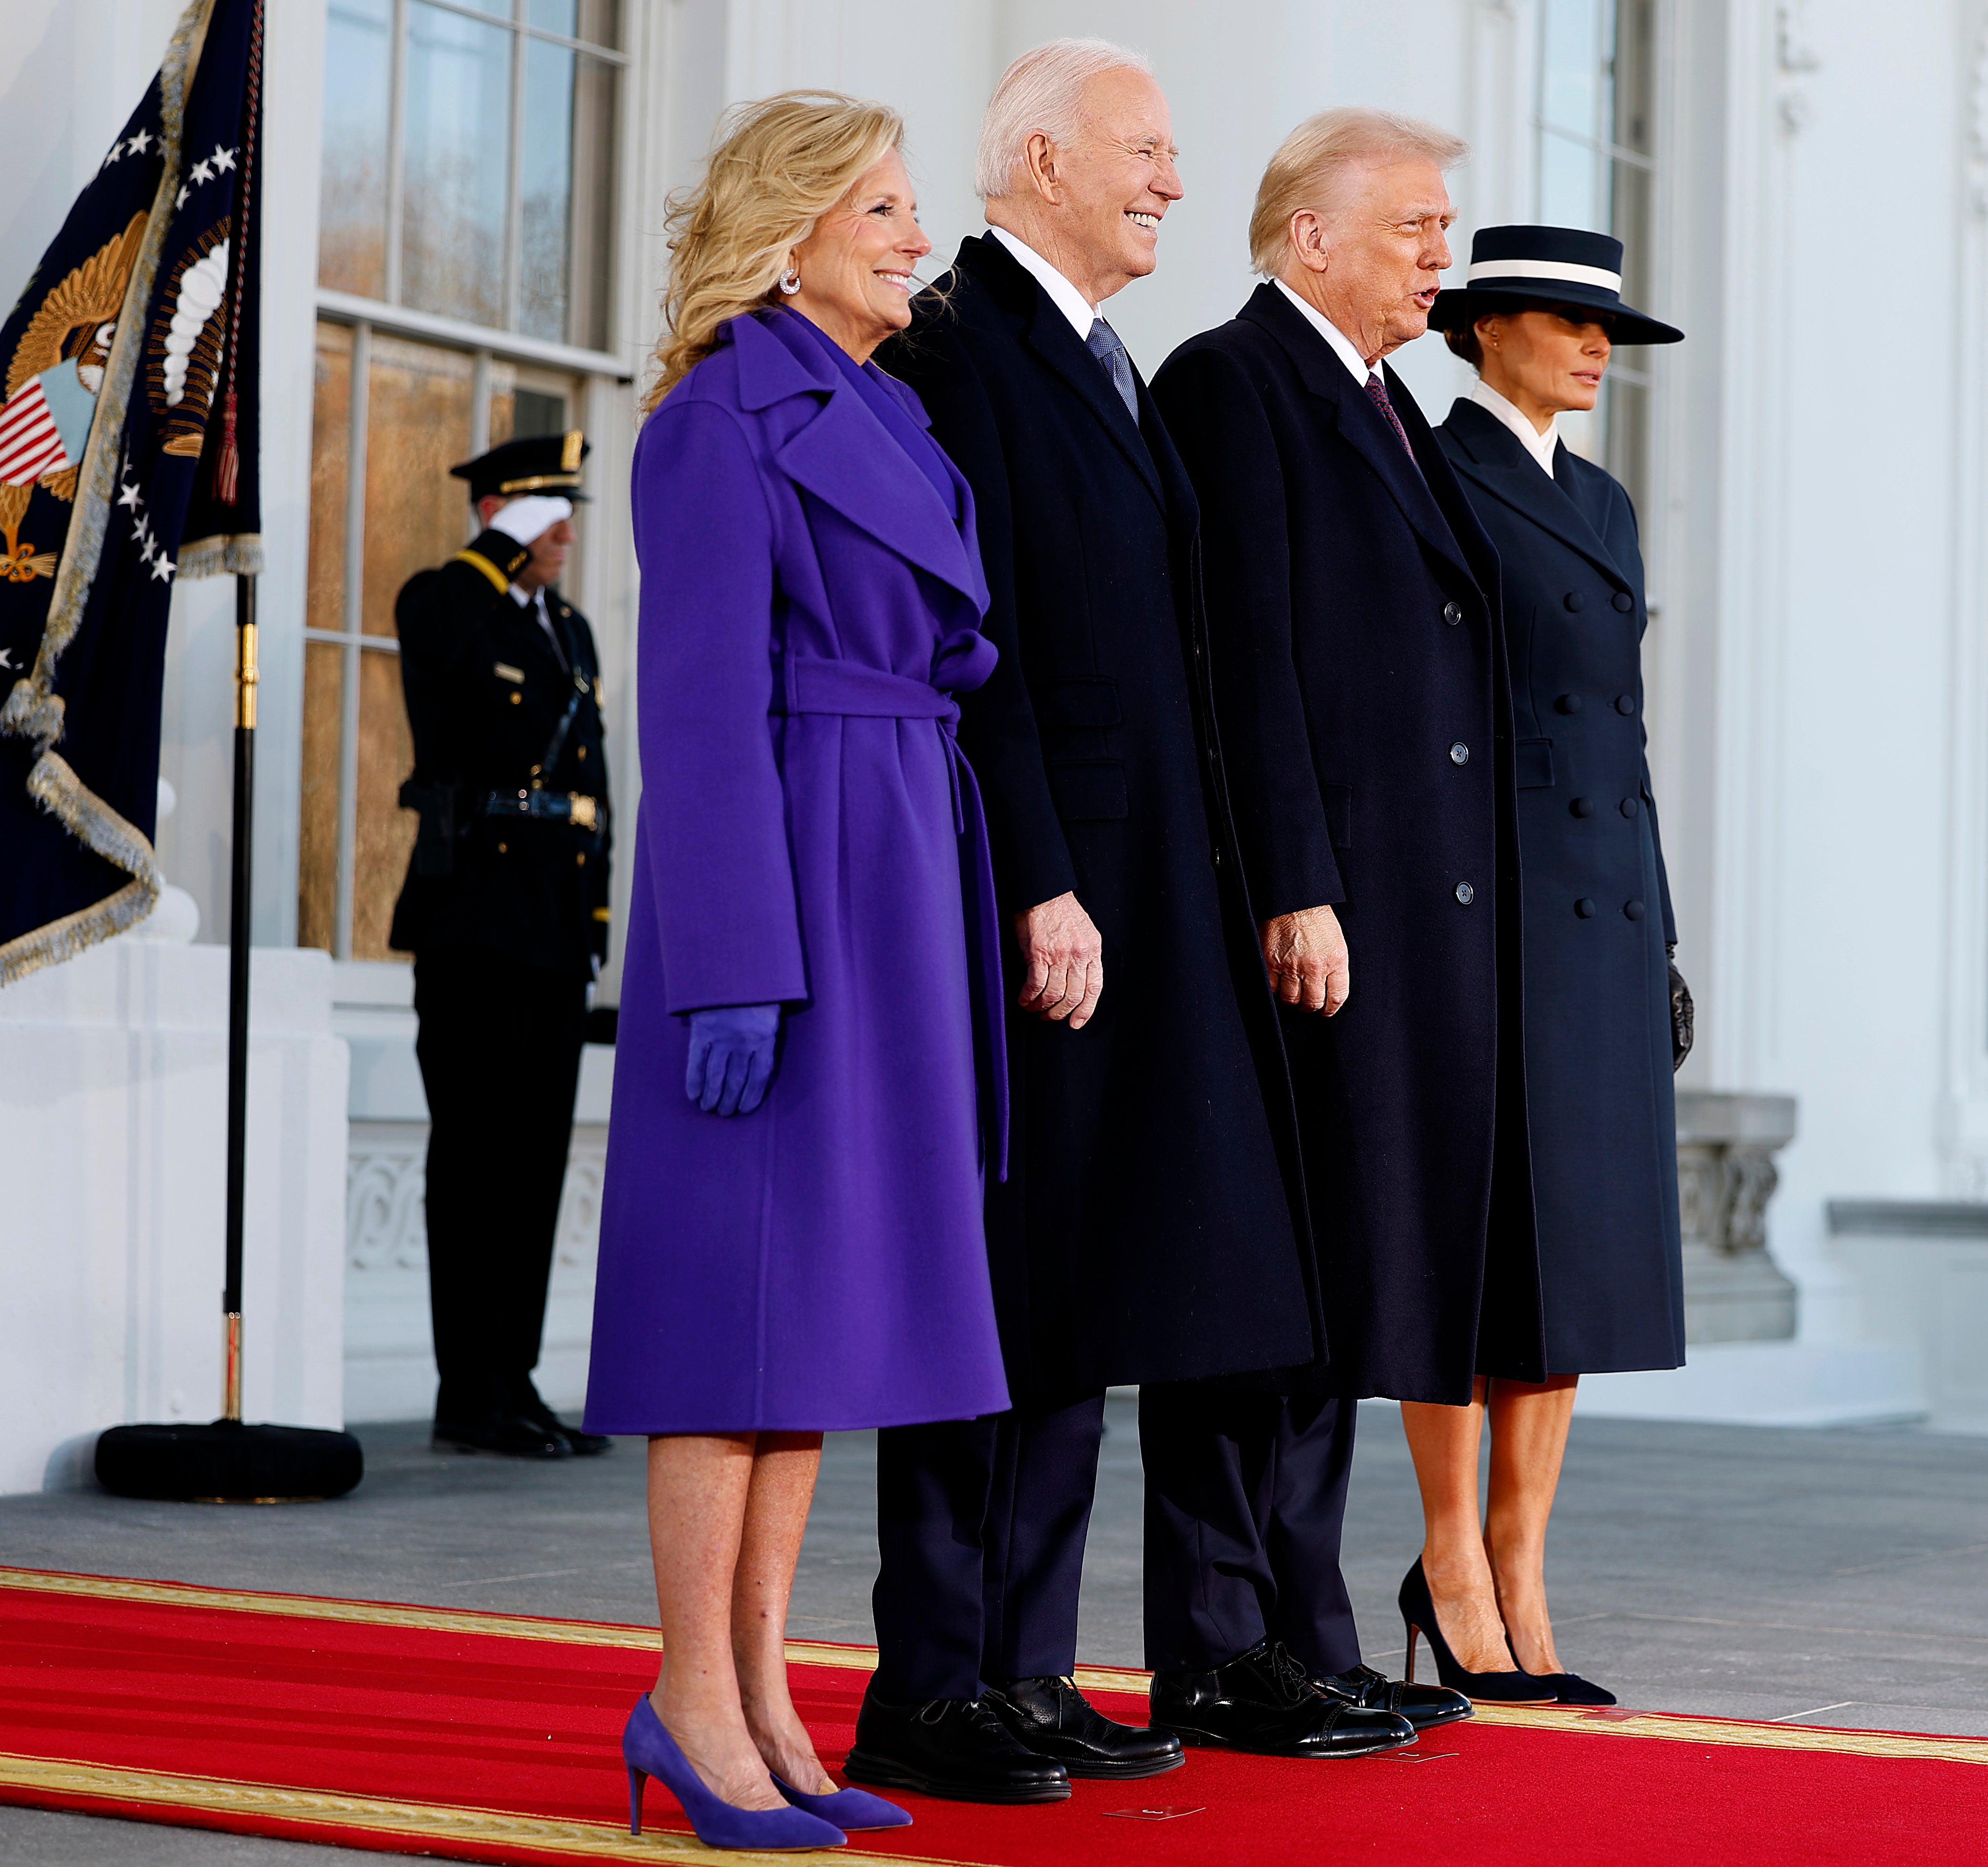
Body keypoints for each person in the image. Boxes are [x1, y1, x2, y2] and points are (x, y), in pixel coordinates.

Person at [856, 41, 1411, 1797]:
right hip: (1056, 895)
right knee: (1009, 1288)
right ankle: (932, 1673)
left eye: (1178, 153)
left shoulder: (1102, 361)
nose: (1177, 179)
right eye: (1147, 150)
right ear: (1033, 155)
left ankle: (1023, 1664)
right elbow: (980, 644)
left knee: (1088, 1291)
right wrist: (1038, 876)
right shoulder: (961, 347)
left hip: (1158, 893)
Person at [581, 92, 1011, 1852]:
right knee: (729, 1318)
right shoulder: (712, 422)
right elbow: (690, 711)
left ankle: (761, 1693)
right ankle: (692, 1698)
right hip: (780, 881)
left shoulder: (891, 413)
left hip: (894, 858)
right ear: (796, 225)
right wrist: (735, 967)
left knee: (816, 1312)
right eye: (890, 207)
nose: (919, 236)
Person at [1146, 109, 1546, 1726]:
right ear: (1308, 235)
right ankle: (1217, 1640)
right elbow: (1243, 658)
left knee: (1342, 1283)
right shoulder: (1229, 383)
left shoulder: (1387, 404)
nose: (1439, 256)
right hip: (1308, 916)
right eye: (1413, 227)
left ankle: (1304, 1622)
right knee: (1260, 1280)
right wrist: (1296, 881)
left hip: (1411, 915)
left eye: (1444, 228)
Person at [1414, 225, 1694, 1707]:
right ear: (1489, 328)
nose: (1598, 352)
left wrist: (1663, 930)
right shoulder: (1431, 472)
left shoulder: (1602, 498)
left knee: (1572, 1259)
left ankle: (1524, 1569)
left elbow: (1626, 737)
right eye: (1574, 325)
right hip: (1491, 901)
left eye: (1610, 333)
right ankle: (1452, 1561)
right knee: (1476, 1249)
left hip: (1601, 908)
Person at [389, 431, 612, 1461]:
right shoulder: (447, 598)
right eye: (542, 510)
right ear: (497, 515)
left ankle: (513, 1379)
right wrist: (491, 549)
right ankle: (466, 1388)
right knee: (475, 1158)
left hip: (554, 928)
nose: (564, 528)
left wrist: (598, 918)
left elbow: (594, 793)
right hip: (475, 919)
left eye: (565, 510)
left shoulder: (568, 630)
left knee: (532, 1164)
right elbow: (444, 653)